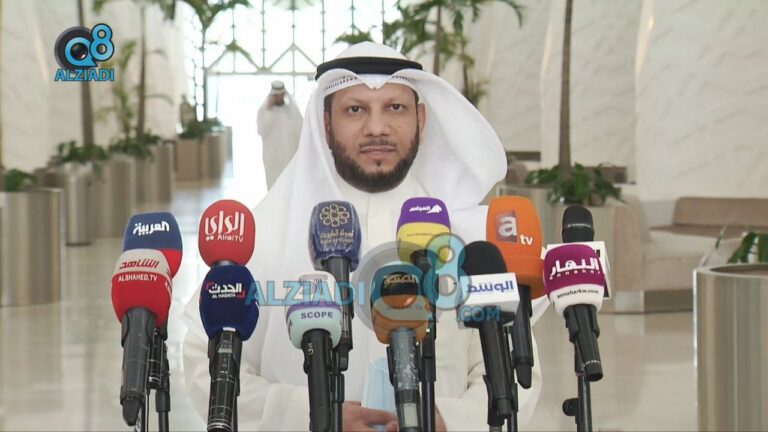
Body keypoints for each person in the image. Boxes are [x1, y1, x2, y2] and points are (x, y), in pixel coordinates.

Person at [183, 42, 546, 431]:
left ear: (421, 119)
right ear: (326, 124)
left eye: (395, 107)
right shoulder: (269, 229)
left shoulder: (467, 237)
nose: (376, 127)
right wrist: (313, 414)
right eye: (355, 110)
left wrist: (450, 420)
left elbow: (513, 370)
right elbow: (207, 364)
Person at [257, 80, 303, 189]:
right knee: (274, 186)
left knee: (290, 186)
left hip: (289, 157)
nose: (279, 97)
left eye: (281, 95)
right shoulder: (263, 111)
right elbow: (262, 131)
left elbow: (300, 129)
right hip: (272, 159)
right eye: (276, 95)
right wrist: (269, 111)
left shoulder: (290, 111)